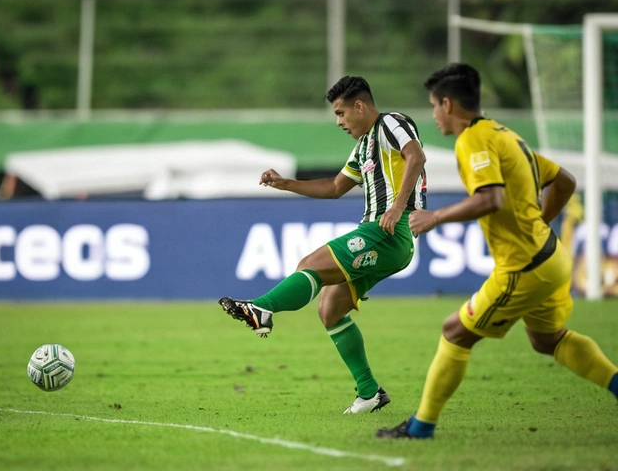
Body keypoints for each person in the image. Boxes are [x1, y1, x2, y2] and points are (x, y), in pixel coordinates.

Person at [377, 63, 618, 439]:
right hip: (553, 255)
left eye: (434, 106)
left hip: (526, 266)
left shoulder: (472, 140)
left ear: (448, 104)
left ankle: (420, 428)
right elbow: (565, 181)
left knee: (454, 331)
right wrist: (539, 220)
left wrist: (435, 216)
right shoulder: (506, 135)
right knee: (547, 340)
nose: (434, 115)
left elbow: (491, 198)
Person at [219, 76, 427, 414]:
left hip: (390, 228)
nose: (339, 122)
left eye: (342, 113)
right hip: (383, 231)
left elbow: (416, 157)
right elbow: (334, 186)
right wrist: (285, 183)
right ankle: (369, 392)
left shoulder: (392, 122)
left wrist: (398, 205)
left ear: (360, 106)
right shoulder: (363, 146)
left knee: (310, 264)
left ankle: (262, 307)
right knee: (330, 309)